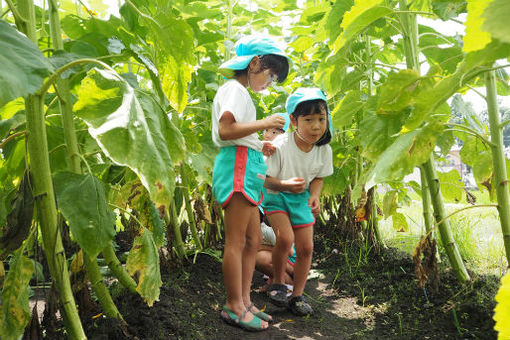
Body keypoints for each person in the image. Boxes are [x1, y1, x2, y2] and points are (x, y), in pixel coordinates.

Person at [211, 35, 291, 331]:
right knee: (237, 241)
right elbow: (226, 128)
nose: (269, 83)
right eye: (270, 76)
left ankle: (244, 301)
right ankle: (234, 305)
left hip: (246, 163)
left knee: (253, 240)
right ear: (254, 63)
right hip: (237, 166)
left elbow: (238, 134)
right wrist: (266, 124)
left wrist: (259, 144)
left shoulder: (241, 93)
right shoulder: (234, 89)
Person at [261, 87, 333, 316]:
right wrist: (285, 185)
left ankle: (297, 296)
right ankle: (278, 283)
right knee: (285, 239)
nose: (316, 126)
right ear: (293, 120)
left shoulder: (323, 149)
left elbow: (319, 177)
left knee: (307, 248)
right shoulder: (280, 146)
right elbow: (265, 180)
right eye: (309, 119)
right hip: (276, 197)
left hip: (301, 198)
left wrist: (315, 195)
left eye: (321, 119)